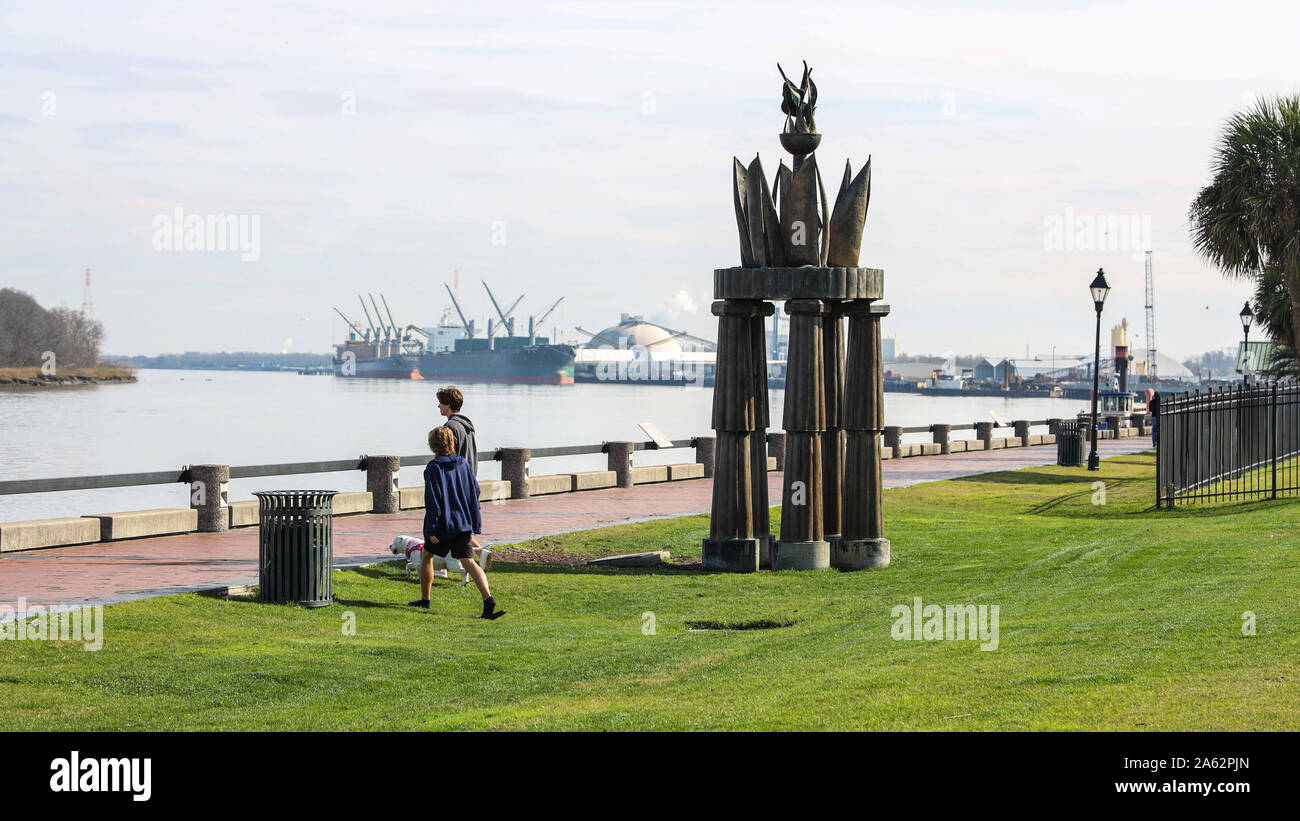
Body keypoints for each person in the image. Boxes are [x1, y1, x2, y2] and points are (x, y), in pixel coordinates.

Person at [409, 426, 504, 619]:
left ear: (432, 445)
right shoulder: (463, 464)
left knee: (426, 555)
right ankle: (488, 599)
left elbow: (433, 500)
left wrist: (432, 529)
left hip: (443, 525)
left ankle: (425, 600)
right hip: (462, 523)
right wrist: (473, 520)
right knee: (468, 561)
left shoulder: (433, 468)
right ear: (452, 442)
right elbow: (475, 491)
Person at [436, 386, 478, 477]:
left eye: (441, 402)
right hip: (469, 480)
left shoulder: (449, 427)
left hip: (457, 482)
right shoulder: (468, 426)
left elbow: (447, 459)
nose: (438, 406)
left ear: (448, 404)